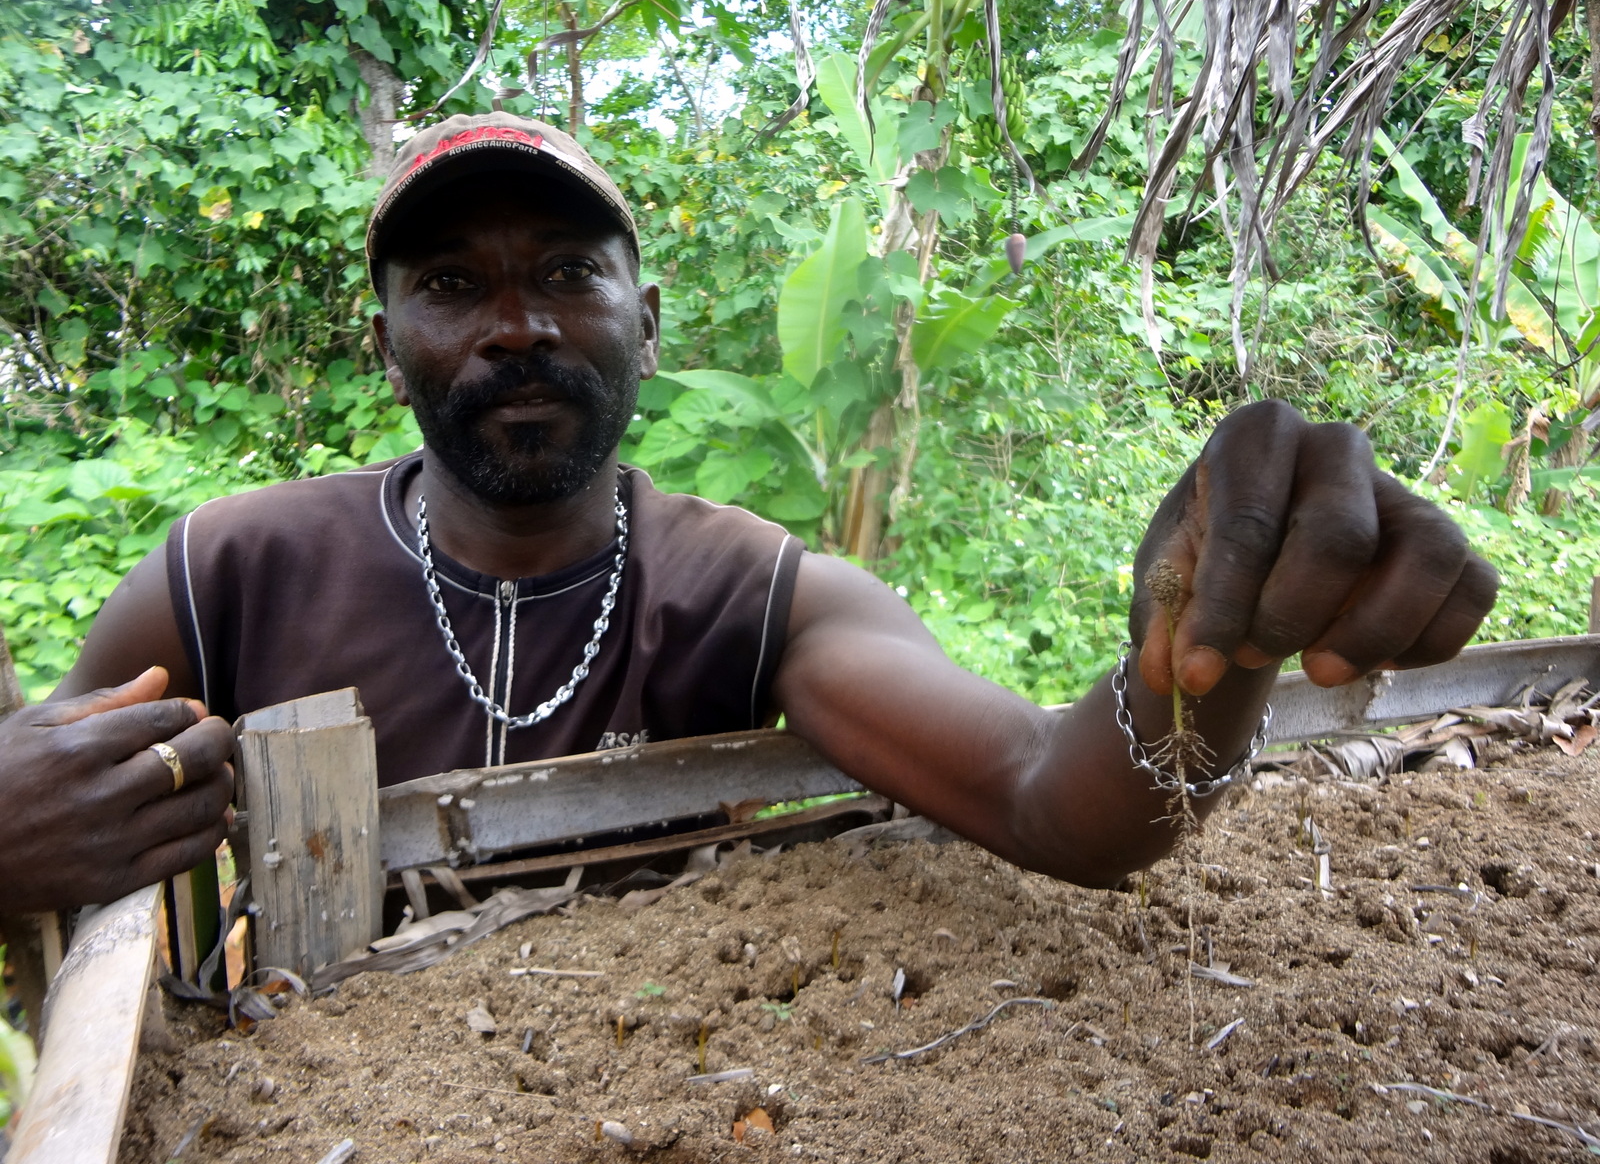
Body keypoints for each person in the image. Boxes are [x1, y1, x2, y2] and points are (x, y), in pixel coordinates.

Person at [0, 113, 1498, 915]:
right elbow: (50, 797)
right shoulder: (232, 567)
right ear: (383, 337)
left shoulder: (753, 592)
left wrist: (1202, 642)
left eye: (567, 275)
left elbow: (1061, 802)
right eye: (453, 285)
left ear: (646, 326)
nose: (515, 325)